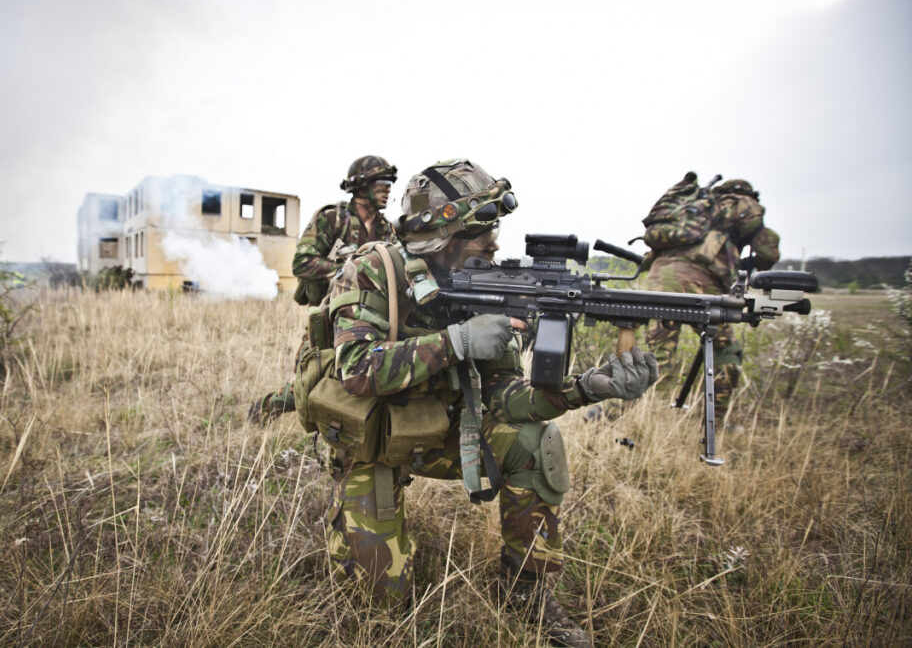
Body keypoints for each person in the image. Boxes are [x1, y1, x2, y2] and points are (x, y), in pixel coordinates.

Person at [316, 159, 658, 647]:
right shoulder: (373, 270)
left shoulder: (485, 284)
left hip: (444, 435)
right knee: (380, 607)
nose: (495, 244)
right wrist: (456, 341)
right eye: (480, 233)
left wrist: (584, 389)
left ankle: (526, 593)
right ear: (443, 235)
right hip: (374, 442)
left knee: (534, 442)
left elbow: (504, 398)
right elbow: (356, 370)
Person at [247, 155, 398, 424]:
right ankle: (266, 407)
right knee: (312, 379)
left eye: (390, 183)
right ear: (361, 186)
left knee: (359, 376)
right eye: (382, 182)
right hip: (328, 314)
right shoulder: (333, 218)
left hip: (370, 318)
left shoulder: (387, 229)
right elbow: (302, 262)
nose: (388, 188)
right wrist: (348, 272)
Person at [643, 174, 780, 417]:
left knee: (657, 359)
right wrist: (744, 263)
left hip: (660, 282)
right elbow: (767, 254)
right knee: (725, 353)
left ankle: (623, 417)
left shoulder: (694, 210)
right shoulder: (744, 204)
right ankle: (715, 420)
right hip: (703, 287)